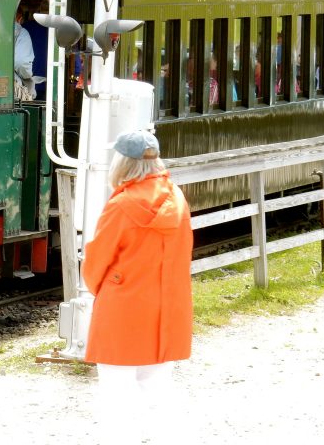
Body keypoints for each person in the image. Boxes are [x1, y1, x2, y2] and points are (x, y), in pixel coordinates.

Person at [82, 130, 194, 445]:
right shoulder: (177, 198)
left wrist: (102, 290)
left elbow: (97, 260)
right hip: (167, 309)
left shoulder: (121, 204)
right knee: (157, 392)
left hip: (123, 310)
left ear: (123, 163)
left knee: (116, 396)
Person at [13, 7, 38, 100]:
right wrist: (28, 77)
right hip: (10, 89)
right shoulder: (21, 32)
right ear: (20, 18)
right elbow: (21, 62)